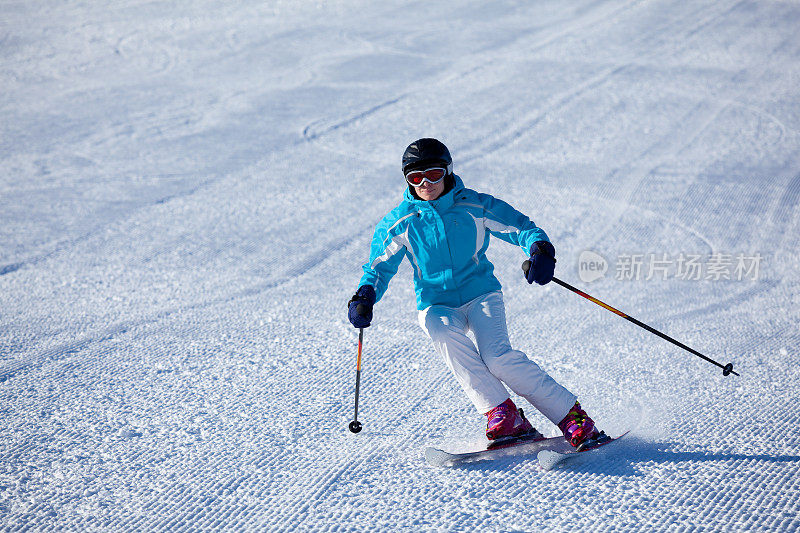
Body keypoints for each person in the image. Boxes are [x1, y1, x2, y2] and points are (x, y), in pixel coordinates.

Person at [348, 138, 600, 448]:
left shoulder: (473, 204)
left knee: (498, 358)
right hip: (436, 302)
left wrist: (540, 250)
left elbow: (520, 227)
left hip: (480, 293)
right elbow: (378, 266)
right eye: (416, 178)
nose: (426, 183)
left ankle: (573, 417)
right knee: (439, 330)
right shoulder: (400, 221)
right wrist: (365, 295)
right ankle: (504, 414)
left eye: (434, 174)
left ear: (448, 172)